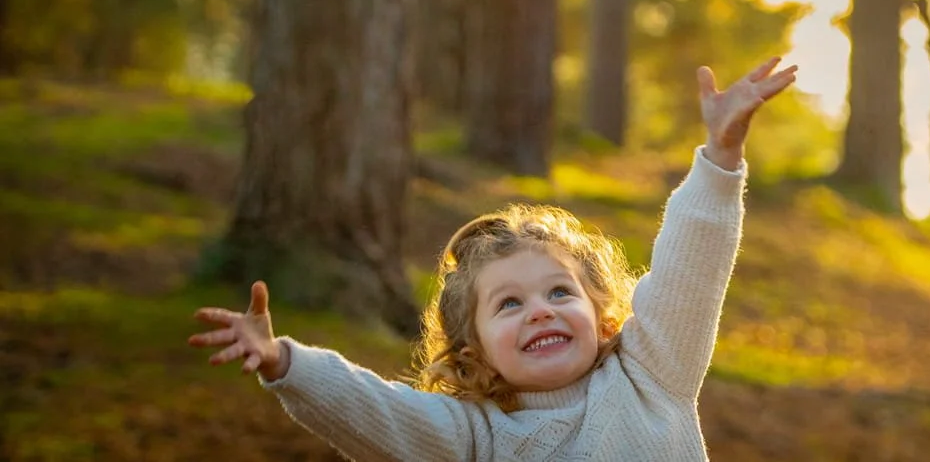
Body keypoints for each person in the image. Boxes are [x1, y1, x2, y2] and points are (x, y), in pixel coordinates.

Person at [188, 57, 798, 461]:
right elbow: (378, 412)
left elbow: (691, 267)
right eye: (509, 304)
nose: (540, 311)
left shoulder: (653, 373)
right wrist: (283, 362)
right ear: (472, 350)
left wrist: (719, 158)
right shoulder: (476, 436)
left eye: (560, 293)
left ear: (601, 309)